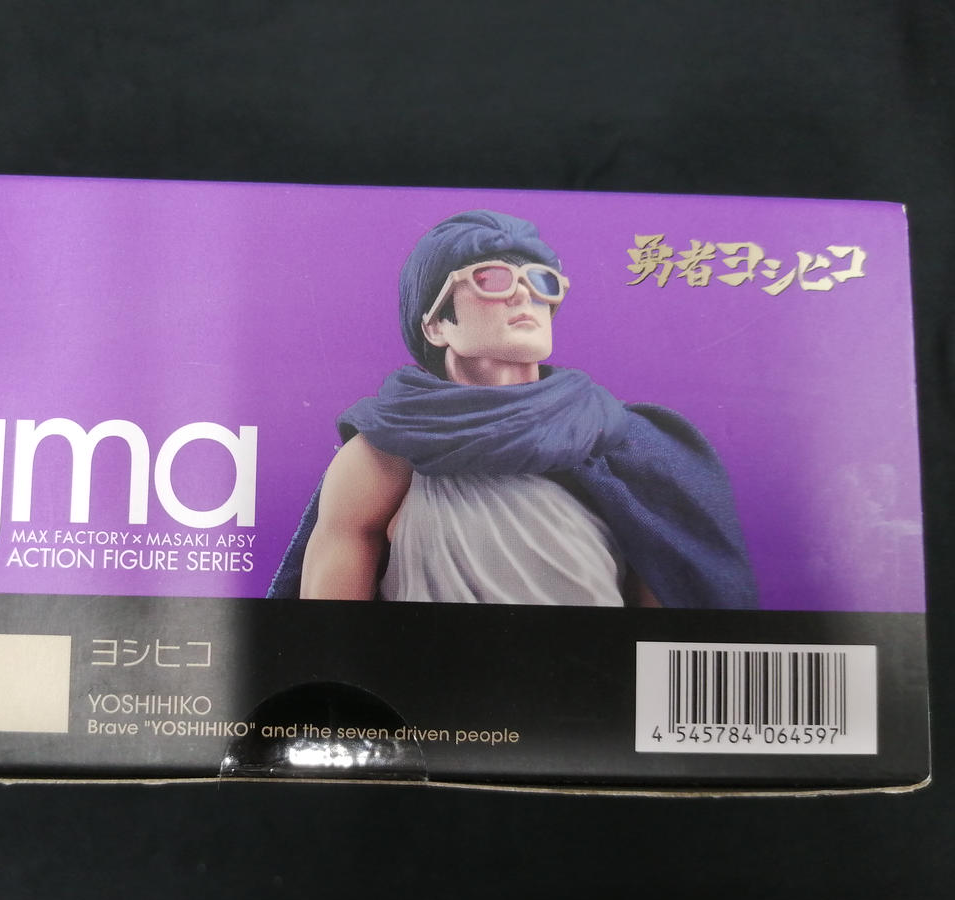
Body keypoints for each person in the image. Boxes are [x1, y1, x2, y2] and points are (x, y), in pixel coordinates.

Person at [269, 210, 757, 609]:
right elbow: (329, 630)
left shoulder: (619, 439)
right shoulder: (385, 451)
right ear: (437, 325)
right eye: (492, 278)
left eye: (541, 280)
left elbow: (668, 608)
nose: (524, 293)